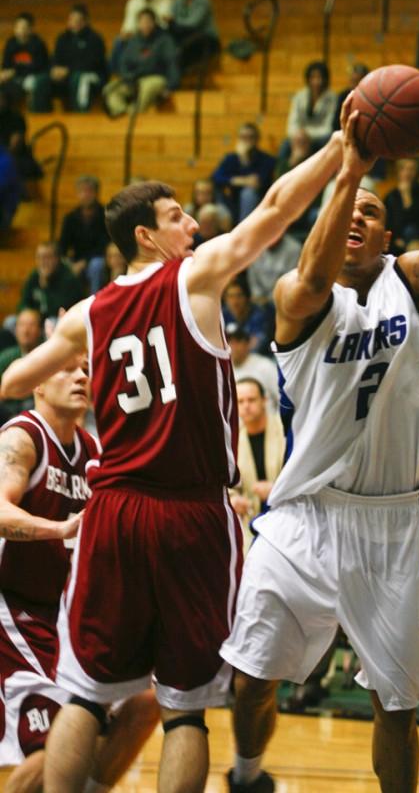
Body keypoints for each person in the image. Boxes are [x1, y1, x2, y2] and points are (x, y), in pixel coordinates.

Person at [0, 126, 347, 793]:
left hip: (112, 511)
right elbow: (273, 211)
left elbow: (16, 379)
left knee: (84, 696)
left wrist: (70, 336)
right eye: (175, 215)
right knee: (185, 710)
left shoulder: (91, 314)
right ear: (144, 237)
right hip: (189, 515)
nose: (190, 223)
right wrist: (342, 154)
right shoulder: (195, 276)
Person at [220, 84, 419, 793]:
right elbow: (308, 269)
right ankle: (246, 774)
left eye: (372, 213)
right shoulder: (299, 301)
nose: (359, 216)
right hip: (305, 514)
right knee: (249, 679)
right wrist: (351, 171)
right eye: (349, 210)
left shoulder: (411, 284)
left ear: (390, 239)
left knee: (395, 705)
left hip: (390, 521)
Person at [0, 357, 159, 790]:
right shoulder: (23, 437)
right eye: (66, 369)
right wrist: (60, 528)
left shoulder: (92, 451)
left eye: (86, 370)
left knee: (145, 701)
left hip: (70, 615)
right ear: (35, 385)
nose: (81, 377)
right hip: (15, 613)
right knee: (54, 738)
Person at [231, 378, 285, 551]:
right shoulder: (234, 439)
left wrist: (276, 489)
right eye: (240, 401)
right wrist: (233, 499)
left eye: (252, 400)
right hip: (251, 521)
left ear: (264, 401)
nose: (246, 406)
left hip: (288, 514)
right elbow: (228, 484)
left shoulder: (284, 430)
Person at [102, 9, 180, 118]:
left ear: (154, 22)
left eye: (148, 21)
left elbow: (172, 63)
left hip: (157, 78)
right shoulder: (133, 41)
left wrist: (171, 86)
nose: (146, 25)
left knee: (147, 87)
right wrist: (128, 78)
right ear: (138, 24)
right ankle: (124, 113)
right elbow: (124, 64)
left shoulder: (165, 40)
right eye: (142, 22)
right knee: (109, 90)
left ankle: (136, 114)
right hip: (134, 80)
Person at [211, 123, 276, 224]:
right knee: (215, 189)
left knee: (248, 193)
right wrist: (239, 180)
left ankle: (244, 229)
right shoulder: (231, 158)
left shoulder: (267, 160)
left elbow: (258, 183)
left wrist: (244, 159)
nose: (247, 141)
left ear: (257, 139)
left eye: (251, 137)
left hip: (257, 203)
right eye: (243, 137)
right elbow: (216, 177)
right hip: (233, 201)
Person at [110, 0, 172, 72]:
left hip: (157, 36)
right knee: (119, 41)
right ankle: (117, 73)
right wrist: (126, 34)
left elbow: (165, 25)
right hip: (138, 35)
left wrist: (147, 28)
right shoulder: (133, 1)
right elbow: (128, 26)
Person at [50, 5, 108, 112]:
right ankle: (40, 115)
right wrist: (55, 69)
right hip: (68, 74)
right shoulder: (63, 38)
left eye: (78, 20)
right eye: (72, 19)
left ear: (85, 21)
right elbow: (56, 58)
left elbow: (93, 64)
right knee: (43, 80)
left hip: (94, 75)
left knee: (80, 78)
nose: (74, 23)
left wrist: (68, 70)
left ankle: (80, 112)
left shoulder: (94, 39)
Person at [58, 175, 109, 294]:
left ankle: (93, 303)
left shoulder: (106, 215)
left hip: (99, 258)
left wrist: (84, 262)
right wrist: (66, 261)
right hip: (76, 259)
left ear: (96, 193)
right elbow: (63, 244)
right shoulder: (70, 217)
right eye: (82, 191)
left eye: (89, 191)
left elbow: (104, 245)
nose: (85, 195)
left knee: (96, 266)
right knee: (60, 265)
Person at [168, 0, 220, 73]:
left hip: (207, 39)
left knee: (182, 47)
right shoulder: (178, 0)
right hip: (187, 36)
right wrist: (174, 22)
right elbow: (171, 17)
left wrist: (175, 21)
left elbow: (193, 23)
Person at [383, 157, 419, 253]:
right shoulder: (391, 196)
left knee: (411, 231)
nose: (407, 173)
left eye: (411, 169)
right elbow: (389, 223)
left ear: (417, 172)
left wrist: (406, 197)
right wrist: (396, 238)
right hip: (396, 242)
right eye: (403, 168)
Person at [17, 242, 83, 321]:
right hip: (36, 320)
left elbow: (58, 310)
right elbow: (23, 302)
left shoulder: (69, 279)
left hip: (64, 321)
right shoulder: (34, 276)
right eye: (39, 257)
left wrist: (46, 287)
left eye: (47, 257)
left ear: (57, 259)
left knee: (51, 321)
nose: (43, 262)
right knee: (11, 322)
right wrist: (29, 314)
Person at [0, 14, 51, 113]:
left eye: (24, 27)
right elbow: (6, 65)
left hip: (34, 76)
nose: (21, 30)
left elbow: (40, 66)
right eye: (18, 27)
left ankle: (35, 113)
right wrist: (4, 73)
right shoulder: (10, 43)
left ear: (30, 29)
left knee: (31, 83)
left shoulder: (38, 43)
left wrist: (15, 71)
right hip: (15, 78)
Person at [0, 309, 43, 421]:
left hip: (37, 411)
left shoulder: (46, 356)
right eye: (22, 325)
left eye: (31, 325)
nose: (26, 330)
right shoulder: (7, 356)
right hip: (7, 411)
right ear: (15, 330)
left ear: (39, 330)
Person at [227, 326, 280, 413]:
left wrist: (278, 423)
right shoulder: (225, 370)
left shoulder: (265, 366)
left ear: (247, 344)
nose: (233, 346)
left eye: (238, 341)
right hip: (239, 425)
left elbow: (282, 399)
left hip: (267, 423)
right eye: (229, 342)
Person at [285, 60, 337, 145]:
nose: (317, 81)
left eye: (320, 77)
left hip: (320, 138)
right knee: (286, 145)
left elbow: (328, 128)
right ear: (308, 79)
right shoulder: (299, 96)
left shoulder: (332, 98)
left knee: (326, 142)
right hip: (299, 137)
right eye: (313, 77)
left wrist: (306, 134)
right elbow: (291, 125)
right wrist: (299, 134)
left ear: (325, 79)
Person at [246, 233, 302, 307]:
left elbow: (291, 281)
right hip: (259, 302)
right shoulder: (255, 246)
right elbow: (253, 279)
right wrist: (258, 296)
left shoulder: (294, 249)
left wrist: (269, 299)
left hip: (284, 300)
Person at [223, 278, 271, 355]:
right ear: (225, 299)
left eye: (239, 296)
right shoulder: (222, 315)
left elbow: (257, 346)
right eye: (230, 296)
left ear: (247, 298)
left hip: (255, 359)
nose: (235, 301)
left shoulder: (259, 316)